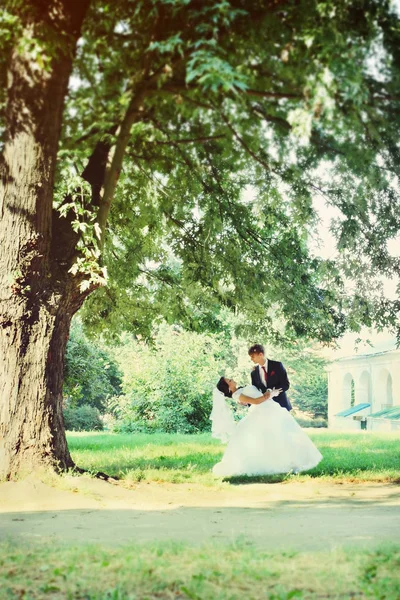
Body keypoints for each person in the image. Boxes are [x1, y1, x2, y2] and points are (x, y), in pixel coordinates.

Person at [212, 377, 322, 477]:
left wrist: (268, 393)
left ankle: (291, 461)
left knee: (283, 435)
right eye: (229, 381)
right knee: (275, 437)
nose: (232, 379)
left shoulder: (240, 391)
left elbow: (255, 397)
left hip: (269, 408)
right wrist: (271, 394)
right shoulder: (237, 395)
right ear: (228, 387)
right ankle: (280, 463)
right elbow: (256, 401)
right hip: (264, 412)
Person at [248, 343, 292, 411]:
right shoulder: (254, 373)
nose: (251, 359)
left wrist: (271, 391)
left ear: (260, 355)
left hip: (281, 406)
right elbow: (255, 391)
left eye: (252, 356)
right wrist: (247, 402)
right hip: (266, 408)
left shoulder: (277, 365)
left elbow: (285, 385)